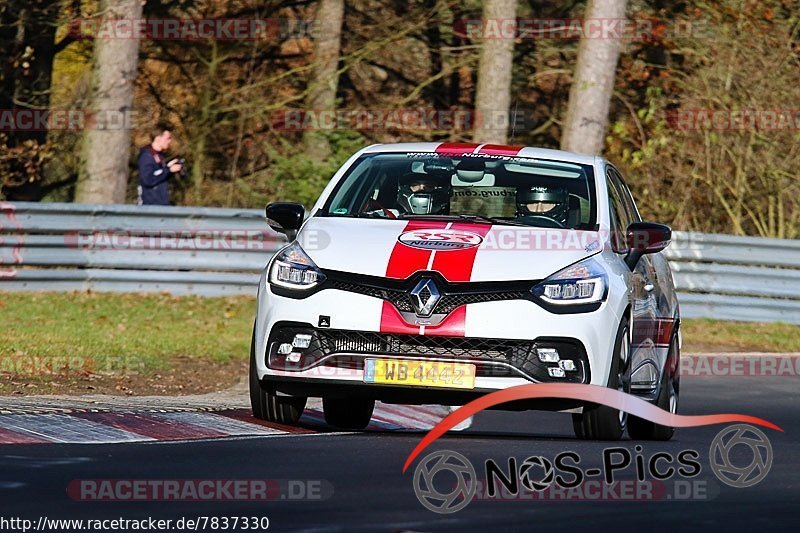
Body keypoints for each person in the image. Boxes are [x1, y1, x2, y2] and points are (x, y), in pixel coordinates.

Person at [137, 122, 183, 205]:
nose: (169, 141)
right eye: (167, 138)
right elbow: (148, 180)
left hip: (161, 205)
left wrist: (170, 170)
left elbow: (159, 176)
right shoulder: (147, 156)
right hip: (150, 207)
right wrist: (168, 170)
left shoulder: (160, 156)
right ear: (158, 138)